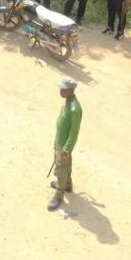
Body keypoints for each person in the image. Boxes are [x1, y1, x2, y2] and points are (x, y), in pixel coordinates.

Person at [48, 77, 82, 212]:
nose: (60, 91)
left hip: (64, 146)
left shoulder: (75, 109)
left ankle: (59, 195)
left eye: (63, 89)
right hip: (60, 141)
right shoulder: (67, 102)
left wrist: (66, 149)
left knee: (61, 169)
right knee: (64, 165)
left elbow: (74, 132)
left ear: (70, 91)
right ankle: (67, 185)